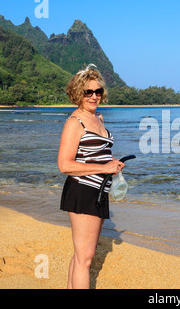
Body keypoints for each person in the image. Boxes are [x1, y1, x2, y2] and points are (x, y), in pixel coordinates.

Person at [57, 64, 125, 289]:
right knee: (85, 258)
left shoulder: (99, 118)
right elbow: (64, 165)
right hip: (82, 190)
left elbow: (98, 154)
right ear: (78, 93)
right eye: (88, 92)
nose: (94, 96)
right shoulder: (74, 122)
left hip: (99, 191)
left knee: (81, 256)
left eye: (98, 91)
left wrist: (113, 166)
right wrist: (103, 168)